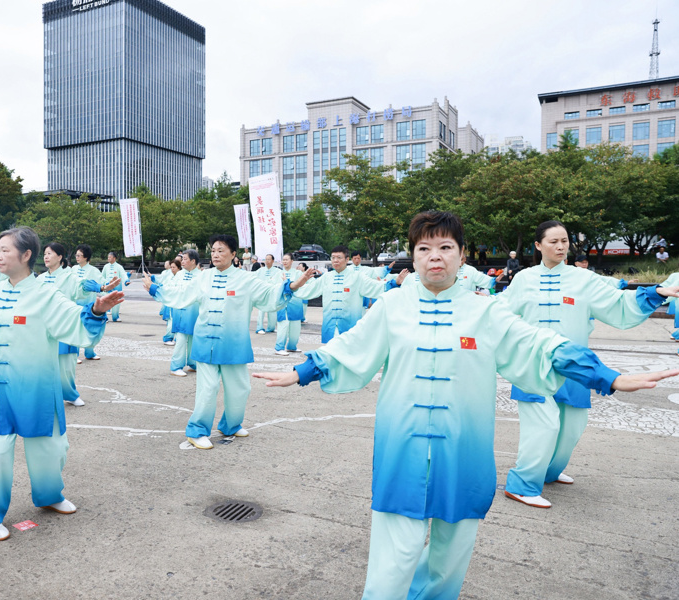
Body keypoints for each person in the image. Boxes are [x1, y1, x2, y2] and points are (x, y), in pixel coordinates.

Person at [253, 210, 678, 600]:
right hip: (402, 450)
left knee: (448, 561)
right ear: (413, 257)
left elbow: (541, 346)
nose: (434, 257)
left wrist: (610, 377)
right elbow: (350, 348)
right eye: (424, 249)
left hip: (464, 453)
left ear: (460, 256)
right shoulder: (392, 305)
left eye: (445, 248)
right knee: (391, 564)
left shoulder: (486, 311)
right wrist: (302, 371)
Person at [0, 227, 122, 541]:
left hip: (35, 386)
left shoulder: (44, 293)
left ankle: (49, 495)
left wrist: (95, 310)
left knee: (48, 447)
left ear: (26, 255)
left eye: (5, 250)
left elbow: (73, 319)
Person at [498, 221, 679, 509]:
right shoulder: (523, 279)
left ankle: (549, 473)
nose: (560, 246)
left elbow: (618, 303)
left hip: (576, 366)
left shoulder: (583, 279)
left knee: (571, 429)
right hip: (533, 366)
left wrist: (655, 293)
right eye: (554, 241)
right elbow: (501, 313)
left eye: (565, 241)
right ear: (538, 245)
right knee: (542, 427)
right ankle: (521, 485)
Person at [143, 234, 314, 449]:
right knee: (208, 388)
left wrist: (294, 285)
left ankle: (231, 425)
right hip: (206, 342)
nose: (215, 254)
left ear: (234, 254)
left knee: (240, 388)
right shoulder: (203, 278)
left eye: (221, 250)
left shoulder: (246, 280)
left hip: (234, 344)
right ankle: (196, 431)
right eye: (213, 250)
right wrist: (154, 288)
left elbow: (270, 295)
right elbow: (181, 295)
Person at [294, 246, 395, 343]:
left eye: (339, 258)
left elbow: (375, 287)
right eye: (333, 258)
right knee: (331, 354)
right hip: (330, 326)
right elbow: (309, 290)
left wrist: (394, 283)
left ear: (347, 260)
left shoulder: (357, 277)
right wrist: (292, 287)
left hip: (350, 325)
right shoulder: (326, 277)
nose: (335, 260)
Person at [40, 242, 87, 407]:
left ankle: (70, 394)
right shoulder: (40, 278)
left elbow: (81, 290)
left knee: (66, 364)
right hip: (44, 327)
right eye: (45, 253)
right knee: (44, 363)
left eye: (50, 253)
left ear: (60, 257)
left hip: (66, 325)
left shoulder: (70, 277)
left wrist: (98, 287)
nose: (46, 257)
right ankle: (47, 395)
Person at [162, 251, 201, 377]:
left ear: (193, 261)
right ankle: (176, 366)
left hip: (195, 312)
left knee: (193, 338)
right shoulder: (179, 275)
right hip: (180, 312)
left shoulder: (201, 276)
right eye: (182, 259)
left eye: (185, 259)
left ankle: (193, 363)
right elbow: (171, 290)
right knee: (181, 338)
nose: (182, 262)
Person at [72, 245, 114, 362]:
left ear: (86, 257)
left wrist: (109, 284)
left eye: (79, 255)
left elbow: (102, 284)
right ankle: (74, 355)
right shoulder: (73, 269)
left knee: (89, 328)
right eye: (76, 255)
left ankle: (89, 353)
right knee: (75, 329)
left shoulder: (93, 271)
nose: (77, 257)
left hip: (88, 304)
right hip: (75, 304)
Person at [275, 253, 304, 355]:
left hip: (295, 303)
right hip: (282, 303)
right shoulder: (278, 273)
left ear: (292, 261)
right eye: (283, 259)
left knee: (295, 326)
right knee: (283, 325)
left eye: (287, 259)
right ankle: (279, 348)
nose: (285, 261)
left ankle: (292, 346)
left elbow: (302, 285)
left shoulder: (298, 273)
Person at [254, 254, 282, 334]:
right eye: (266, 259)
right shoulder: (260, 271)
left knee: (272, 310)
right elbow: (253, 277)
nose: (267, 261)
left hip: (272, 293)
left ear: (273, 261)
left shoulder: (277, 271)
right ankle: (259, 328)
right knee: (261, 311)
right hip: (262, 293)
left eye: (269, 259)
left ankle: (271, 327)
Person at [156, 259, 181, 345]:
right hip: (170, 302)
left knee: (178, 322)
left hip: (178, 302)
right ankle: (168, 338)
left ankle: (177, 339)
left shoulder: (181, 276)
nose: (172, 269)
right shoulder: (169, 275)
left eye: (174, 267)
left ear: (178, 268)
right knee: (171, 321)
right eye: (171, 267)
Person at [101, 251, 130, 322]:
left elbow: (123, 274)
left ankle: (115, 317)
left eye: (110, 257)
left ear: (114, 258)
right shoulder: (106, 266)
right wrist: (103, 284)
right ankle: (105, 318)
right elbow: (102, 276)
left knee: (116, 304)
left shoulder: (119, 267)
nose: (108, 258)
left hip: (117, 288)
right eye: (108, 257)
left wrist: (126, 281)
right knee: (105, 302)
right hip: (107, 287)